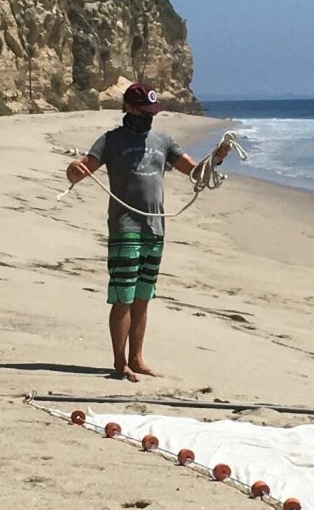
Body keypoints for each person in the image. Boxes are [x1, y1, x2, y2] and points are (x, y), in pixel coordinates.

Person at [64, 84, 209, 381]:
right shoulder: (110, 141)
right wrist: (73, 170)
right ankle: (120, 363)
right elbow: (81, 171)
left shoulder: (163, 140)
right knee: (123, 296)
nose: (149, 117)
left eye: (153, 112)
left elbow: (195, 172)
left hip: (155, 228)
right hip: (125, 227)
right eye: (144, 111)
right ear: (129, 109)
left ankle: (138, 359)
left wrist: (216, 158)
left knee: (143, 296)